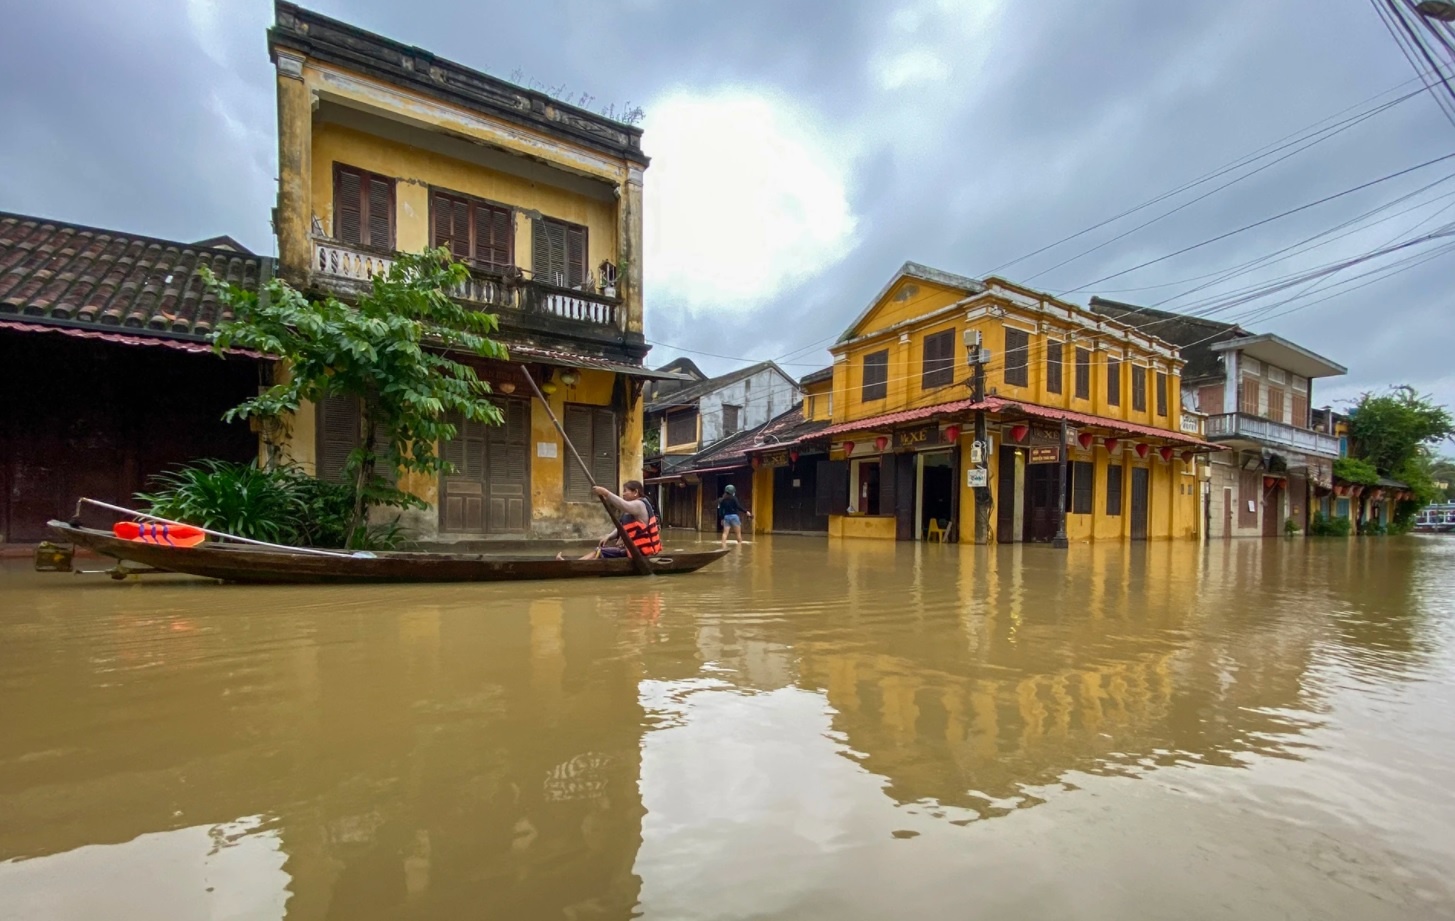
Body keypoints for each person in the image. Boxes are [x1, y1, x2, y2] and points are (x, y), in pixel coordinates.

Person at [560, 480, 662, 560]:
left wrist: (606, 493)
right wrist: (609, 536)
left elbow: (623, 505)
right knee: (603, 549)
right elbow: (622, 528)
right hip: (632, 549)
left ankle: (573, 564)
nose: (623, 494)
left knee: (600, 551)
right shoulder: (631, 509)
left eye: (625, 491)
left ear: (635, 492)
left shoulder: (639, 504)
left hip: (640, 552)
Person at [717, 484, 752, 548]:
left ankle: (723, 547)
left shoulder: (722, 500)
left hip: (726, 517)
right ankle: (739, 548)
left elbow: (721, 510)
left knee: (725, 533)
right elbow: (738, 507)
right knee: (738, 534)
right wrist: (746, 511)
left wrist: (722, 519)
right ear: (733, 491)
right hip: (734, 517)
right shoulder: (734, 498)